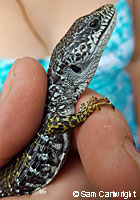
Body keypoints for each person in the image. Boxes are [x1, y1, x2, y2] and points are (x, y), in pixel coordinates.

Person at [0, 0, 140, 199]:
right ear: (74, 65)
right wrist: (84, 113)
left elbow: (136, 64)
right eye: (94, 26)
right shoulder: (57, 101)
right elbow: (55, 125)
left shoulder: (60, 96)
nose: (104, 14)